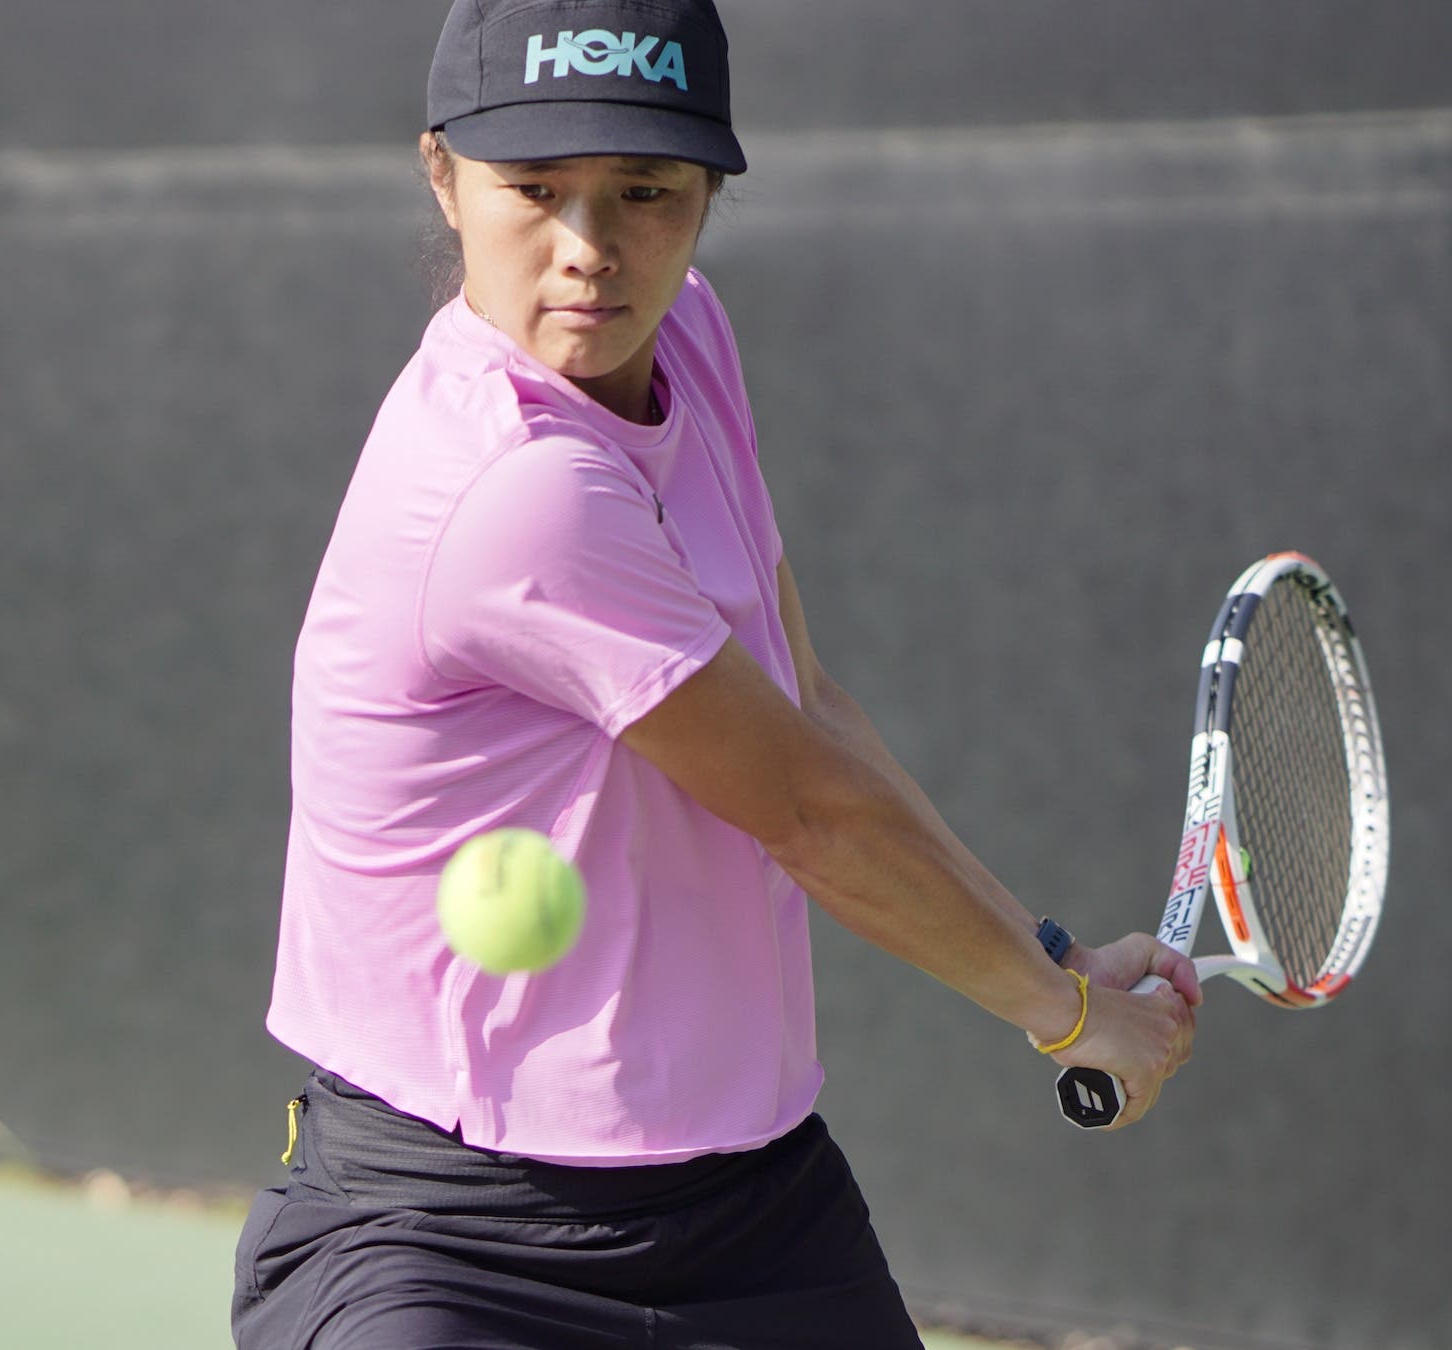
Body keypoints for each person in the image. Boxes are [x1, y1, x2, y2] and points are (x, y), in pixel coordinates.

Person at [232, 1, 1201, 1346]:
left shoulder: (689, 339)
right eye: (536, 190)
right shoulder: (516, 491)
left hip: (754, 1217)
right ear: (442, 177)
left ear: (708, 198)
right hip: (450, 1238)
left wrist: (1057, 962)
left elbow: (808, 707)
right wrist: (1069, 1015)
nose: (590, 249)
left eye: (646, 192)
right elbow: (806, 814)